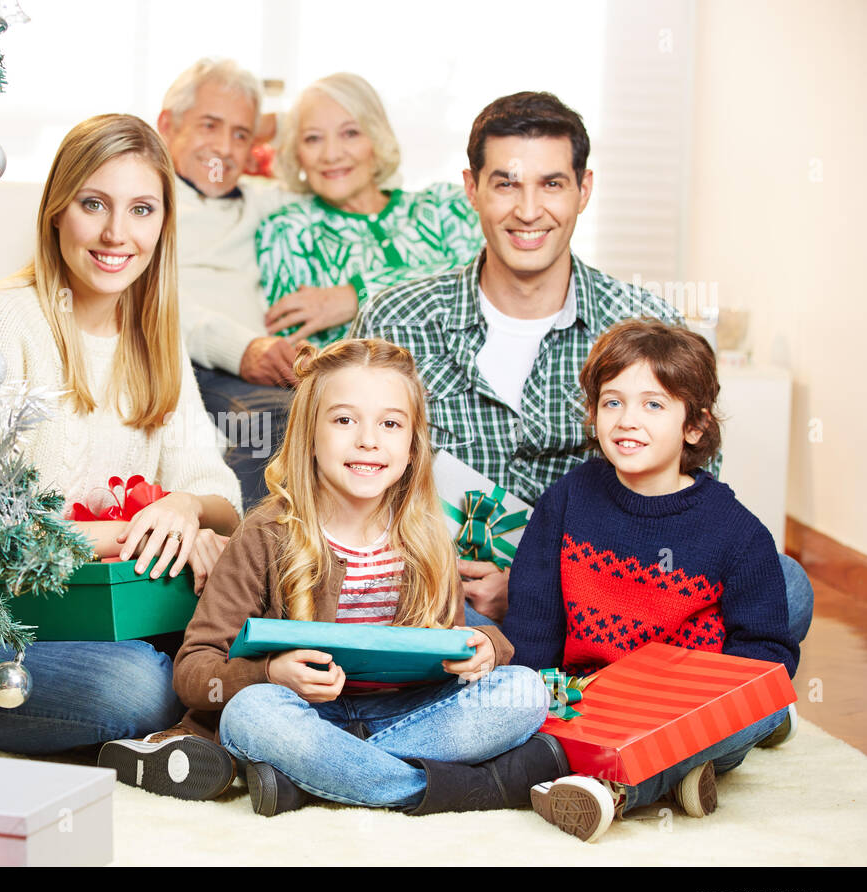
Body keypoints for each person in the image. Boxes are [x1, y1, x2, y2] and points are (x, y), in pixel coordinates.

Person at [353, 91, 814, 642]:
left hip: (607, 598)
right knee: (416, 621)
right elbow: (339, 473)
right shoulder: (397, 320)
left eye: (551, 184)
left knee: (784, 585)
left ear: (583, 190)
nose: (528, 211)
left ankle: (576, 691)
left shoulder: (648, 324)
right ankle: (572, 695)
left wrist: (532, 586)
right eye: (505, 184)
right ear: (472, 190)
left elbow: (694, 495)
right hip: (441, 598)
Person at [0, 114, 242, 756]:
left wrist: (185, 512)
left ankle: (175, 741)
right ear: (58, 212)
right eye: (94, 204)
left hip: (107, 623)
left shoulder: (155, 336)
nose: (117, 234)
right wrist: (127, 535)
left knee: (259, 635)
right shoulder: (2, 323)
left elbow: (220, 495)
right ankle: (175, 734)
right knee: (140, 685)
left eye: (141, 209)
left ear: (162, 226)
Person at [163, 338, 557, 817]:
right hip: (302, 715)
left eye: (390, 424)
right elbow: (192, 674)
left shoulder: (427, 535)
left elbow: (455, 638)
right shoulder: (264, 534)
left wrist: (485, 648)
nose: (368, 440)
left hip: (406, 711)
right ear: (310, 435)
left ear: (412, 447)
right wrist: (267, 673)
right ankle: (447, 789)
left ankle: (315, 780)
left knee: (525, 691)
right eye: (345, 420)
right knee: (250, 714)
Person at [505, 318, 801, 842]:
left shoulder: (736, 533)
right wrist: (534, 696)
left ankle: (616, 793)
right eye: (612, 402)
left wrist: (716, 713)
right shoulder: (568, 498)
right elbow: (535, 612)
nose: (626, 420)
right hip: (588, 696)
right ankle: (682, 780)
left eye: (653, 405)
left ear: (695, 426)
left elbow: (764, 657)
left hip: (683, 707)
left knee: (751, 712)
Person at [156, 59, 298, 505]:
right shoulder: (146, 198)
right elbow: (147, 297)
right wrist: (241, 348)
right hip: (185, 361)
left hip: (259, 370)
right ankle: (243, 571)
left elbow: (352, 169)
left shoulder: (264, 202)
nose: (224, 148)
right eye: (209, 126)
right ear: (167, 125)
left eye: (241, 134)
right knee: (273, 424)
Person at [256, 73, 482, 350]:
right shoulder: (287, 231)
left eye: (350, 133)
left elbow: (493, 281)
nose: (331, 154)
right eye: (313, 139)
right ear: (296, 152)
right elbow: (303, 359)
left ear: (376, 138)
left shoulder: (445, 205)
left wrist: (359, 294)